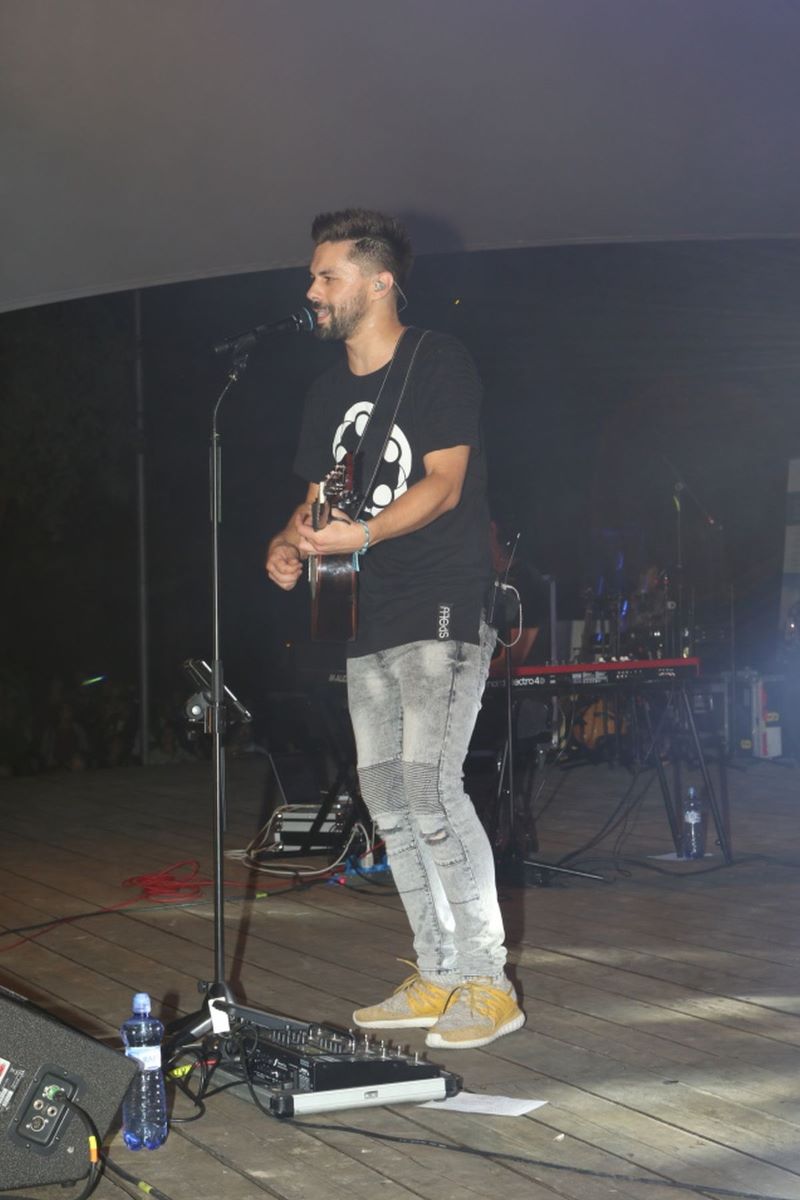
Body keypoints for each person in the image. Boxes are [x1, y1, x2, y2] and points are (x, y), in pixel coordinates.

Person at [266, 209, 524, 1050]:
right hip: (362, 613)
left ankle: (488, 982)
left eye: (327, 276)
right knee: (387, 797)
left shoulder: (436, 361)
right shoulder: (324, 393)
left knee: (433, 789)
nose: (313, 291)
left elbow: (444, 484)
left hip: (439, 604)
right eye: (312, 276)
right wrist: (289, 543)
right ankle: (440, 971)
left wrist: (363, 533)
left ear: (378, 283)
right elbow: (316, 501)